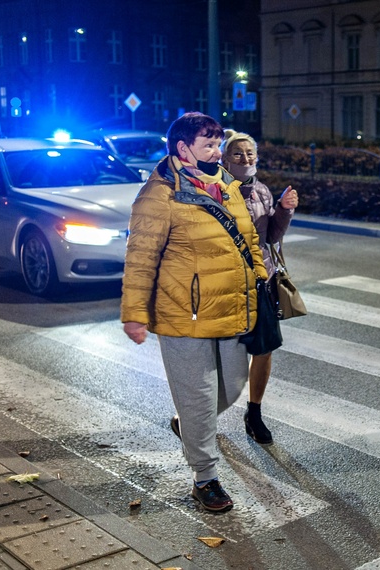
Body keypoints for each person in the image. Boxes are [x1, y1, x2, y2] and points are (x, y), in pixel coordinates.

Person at [121, 112, 267, 513]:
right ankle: (205, 479)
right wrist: (134, 312)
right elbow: (139, 258)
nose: (218, 151)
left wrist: (258, 272)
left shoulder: (225, 185)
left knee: (232, 387)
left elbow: (249, 235)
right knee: (200, 396)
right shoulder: (159, 194)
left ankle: (188, 422)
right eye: (210, 144)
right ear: (183, 149)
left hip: (234, 306)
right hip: (184, 314)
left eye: (218, 144)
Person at [219, 129, 298, 445]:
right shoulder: (216, 191)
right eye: (238, 153)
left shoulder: (263, 191)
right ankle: (195, 418)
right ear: (224, 159)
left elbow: (272, 237)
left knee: (264, 350)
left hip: (261, 281)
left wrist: (284, 210)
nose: (245, 158)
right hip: (225, 284)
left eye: (250, 153)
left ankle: (254, 413)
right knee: (221, 359)